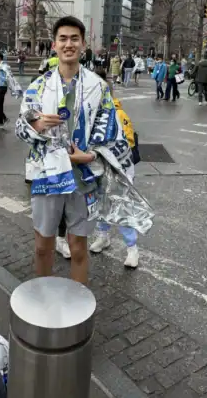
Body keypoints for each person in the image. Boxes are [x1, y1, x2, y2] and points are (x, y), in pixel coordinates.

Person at [16, 16, 136, 285]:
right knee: (42, 246)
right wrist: (36, 124)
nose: (68, 44)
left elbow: (112, 134)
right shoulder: (38, 87)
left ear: (83, 44)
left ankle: (78, 305)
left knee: (79, 247)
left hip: (83, 177)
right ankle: (43, 299)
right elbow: (19, 129)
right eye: (63, 39)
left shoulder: (99, 87)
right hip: (46, 175)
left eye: (74, 39)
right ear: (54, 45)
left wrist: (91, 156)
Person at [89, 70, 140, 268]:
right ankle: (103, 236)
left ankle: (132, 248)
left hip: (118, 170)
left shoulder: (118, 115)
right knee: (102, 205)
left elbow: (128, 143)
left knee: (122, 207)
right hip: (98, 168)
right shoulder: (90, 115)